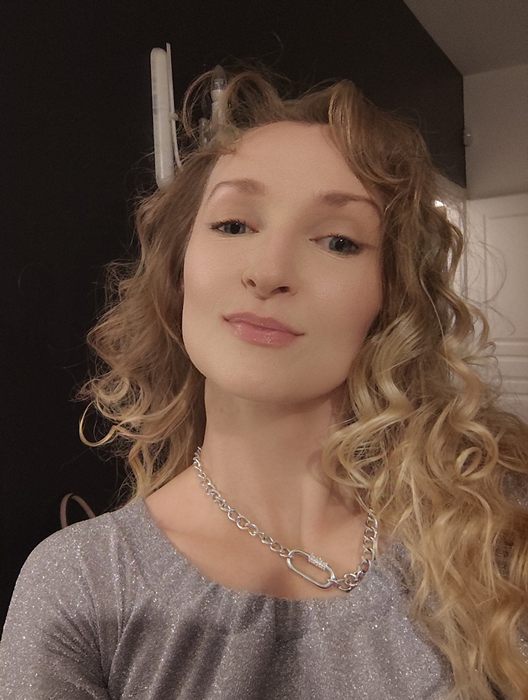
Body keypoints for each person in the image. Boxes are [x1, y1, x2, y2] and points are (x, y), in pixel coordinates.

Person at [1, 64, 527, 700]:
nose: (270, 270)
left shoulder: (496, 530)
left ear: (389, 300)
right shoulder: (81, 588)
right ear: (178, 271)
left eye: (337, 241)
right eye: (234, 225)